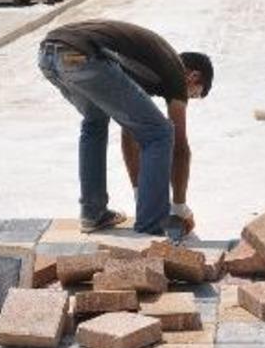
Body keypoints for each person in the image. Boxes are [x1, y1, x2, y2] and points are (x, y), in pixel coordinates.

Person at [38, 19, 213, 235]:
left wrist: (141, 195)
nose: (186, 99)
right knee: (161, 133)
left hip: (51, 54)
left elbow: (130, 130)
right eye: (193, 94)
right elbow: (179, 147)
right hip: (83, 56)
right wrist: (179, 208)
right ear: (193, 77)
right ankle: (152, 226)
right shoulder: (175, 72)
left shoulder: (145, 67)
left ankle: (93, 214)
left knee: (95, 122)